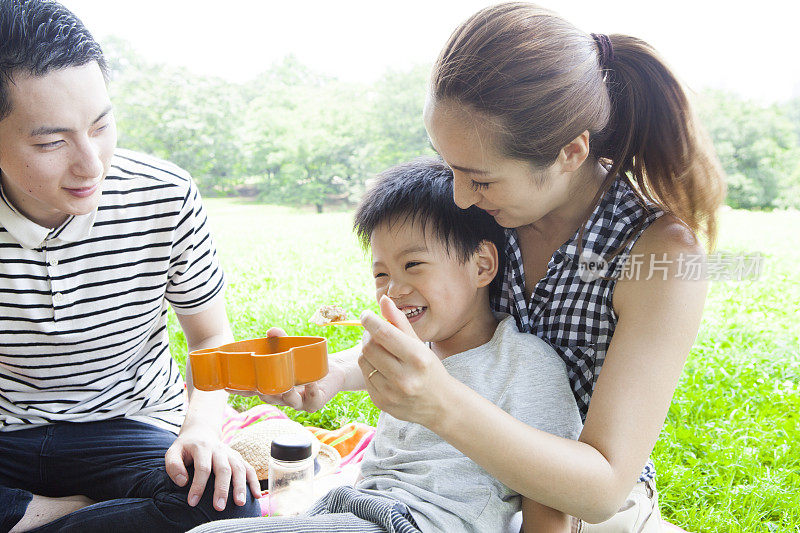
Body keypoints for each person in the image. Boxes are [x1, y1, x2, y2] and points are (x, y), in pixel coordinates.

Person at [267, 3, 727, 531]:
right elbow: (442, 331)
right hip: (456, 477)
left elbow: (602, 489)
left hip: (568, 503)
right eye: (450, 167)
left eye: (479, 179)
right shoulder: (492, 215)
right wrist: (335, 374)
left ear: (569, 153)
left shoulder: (658, 255)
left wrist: (441, 404)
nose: (460, 199)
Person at [189, 158, 583, 533]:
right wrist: (314, 381)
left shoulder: (523, 362)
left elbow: (550, 493)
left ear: (481, 266)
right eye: (381, 273)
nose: (394, 290)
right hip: (356, 507)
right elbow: (349, 368)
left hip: (422, 523)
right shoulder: (408, 349)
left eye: (413, 265)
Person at [0, 1, 262, 531]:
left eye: (101, 125)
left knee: (226, 504)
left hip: (129, 425)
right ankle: (81, 513)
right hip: (7, 434)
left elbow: (211, 340)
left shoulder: (165, 195)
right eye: (52, 141)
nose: (91, 165)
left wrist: (202, 431)